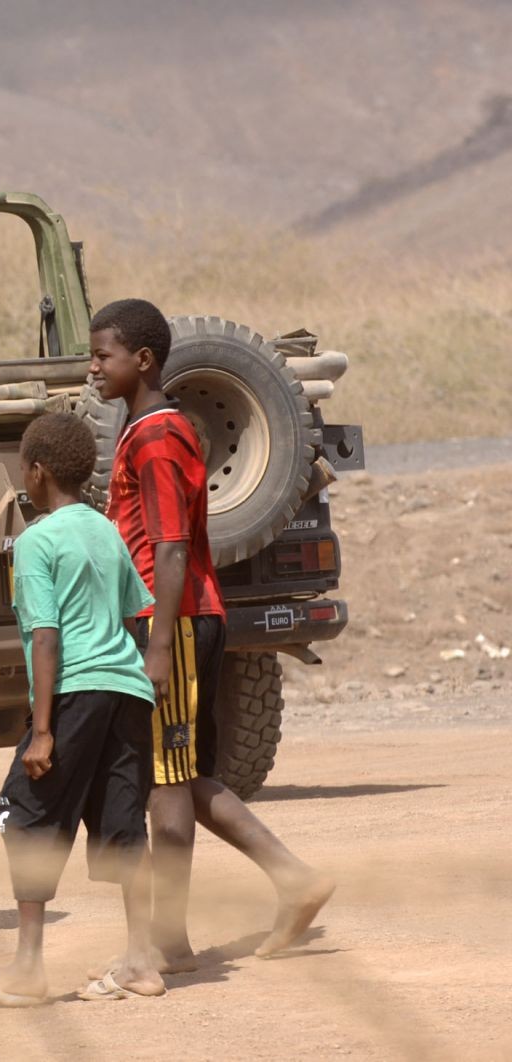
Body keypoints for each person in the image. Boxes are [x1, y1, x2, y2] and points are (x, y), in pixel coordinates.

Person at [88, 299, 335, 971]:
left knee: (167, 781)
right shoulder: (142, 429)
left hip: (174, 618)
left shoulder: (157, 436)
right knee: (177, 775)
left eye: (102, 354)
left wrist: (159, 644)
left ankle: (171, 938)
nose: (92, 367)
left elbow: (171, 547)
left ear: (142, 360)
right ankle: (281, 884)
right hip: (173, 617)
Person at [0, 413, 164, 1007]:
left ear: (37, 472)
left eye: (24, 466)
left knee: (27, 816)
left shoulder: (37, 540)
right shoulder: (107, 530)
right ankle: (142, 961)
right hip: (127, 689)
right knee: (123, 822)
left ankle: (27, 968)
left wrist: (42, 732)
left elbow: (46, 635)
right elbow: (128, 616)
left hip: (75, 692)